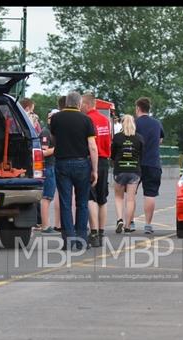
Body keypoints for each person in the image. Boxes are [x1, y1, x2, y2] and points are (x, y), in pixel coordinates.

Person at [50, 91, 99, 250]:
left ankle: (68, 240)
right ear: (79, 104)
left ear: (66, 103)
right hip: (81, 164)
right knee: (82, 203)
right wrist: (95, 169)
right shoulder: (86, 120)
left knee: (65, 203)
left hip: (62, 163)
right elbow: (92, 146)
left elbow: (54, 139)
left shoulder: (56, 119)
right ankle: (81, 240)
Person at [81, 92, 112, 248]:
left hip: (92, 160)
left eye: (81, 105)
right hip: (105, 160)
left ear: (86, 104)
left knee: (90, 198)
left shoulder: (88, 119)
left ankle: (93, 233)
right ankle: (101, 232)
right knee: (102, 198)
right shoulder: (105, 120)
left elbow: (90, 144)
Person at [134, 97, 165, 235]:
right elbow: (160, 140)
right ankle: (147, 224)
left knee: (131, 194)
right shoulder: (157, 124)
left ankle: (130, 222)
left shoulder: (134, 123)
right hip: (153, 163)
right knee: (150, 194)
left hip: (135, 163)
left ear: (138, 108)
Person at [111, 114, 144, 234]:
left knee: (119, 197)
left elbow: (113, 154)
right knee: (130, 199)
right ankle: (127, 225)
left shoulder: (117, 137)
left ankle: (119, 219)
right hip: (134, 171)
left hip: (120, 170)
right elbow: (142, 155)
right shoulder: (139, 138)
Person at [39, 109, 61, 234]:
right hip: (47, 167)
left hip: (52, 166)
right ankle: (45, 226)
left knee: (49, 196)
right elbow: (42, 152)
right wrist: (57, 149)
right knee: (46, 197)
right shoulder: (46, 132)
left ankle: (47, 225)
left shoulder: (53, 132)